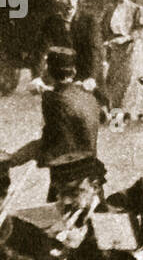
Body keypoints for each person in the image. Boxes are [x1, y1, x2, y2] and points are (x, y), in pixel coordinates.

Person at [11, 47, 100, 200]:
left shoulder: (51, 99)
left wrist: (16, 158)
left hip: (66, 167)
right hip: (89, 162)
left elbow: (50, 139)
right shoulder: (88, 95)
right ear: (73, 72)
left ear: (48, 71)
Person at [101, 0, 143, 121]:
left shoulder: (137, 9)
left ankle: (129, 111)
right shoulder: (110, 9)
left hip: (131, 48)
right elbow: (103, 27)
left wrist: (127, 37)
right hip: (115, 47)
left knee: (129, 80)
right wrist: (107, 41)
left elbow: (140, 29)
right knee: (112, 80)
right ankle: (116, 111)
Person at [40, 0, 102, 93]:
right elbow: (41, 49)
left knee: (101, 105)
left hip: (86, 78)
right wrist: (36, 76)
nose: (70, 2)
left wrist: (91, 77)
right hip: (62, 79)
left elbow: (95, 50)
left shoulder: (89, 20)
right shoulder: (51, 22)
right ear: (57, 0)